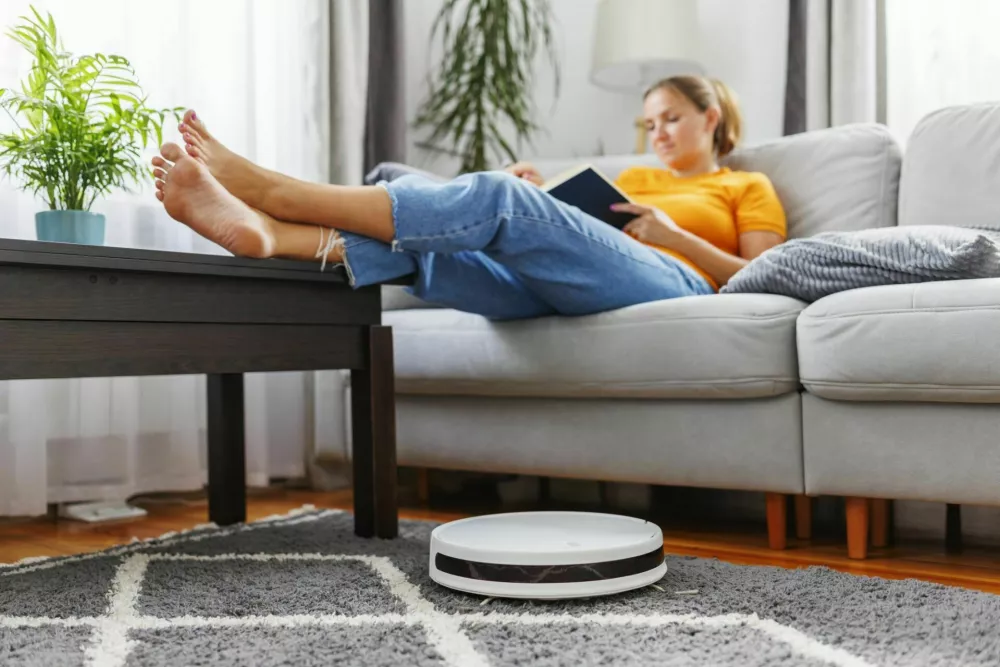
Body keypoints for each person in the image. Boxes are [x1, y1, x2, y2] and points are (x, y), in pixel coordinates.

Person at [151, 76, 786, 320]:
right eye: (649, 124)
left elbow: (762, 277)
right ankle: (275, 238)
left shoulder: (744, 186)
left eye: (672, 118)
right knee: (427, 213)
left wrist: (671, 234)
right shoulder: (634, 178)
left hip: (678, 282)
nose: (658, 134)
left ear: (712, 118)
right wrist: (549, 205)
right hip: (567, 275)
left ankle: (273, 194)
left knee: (497, 197)